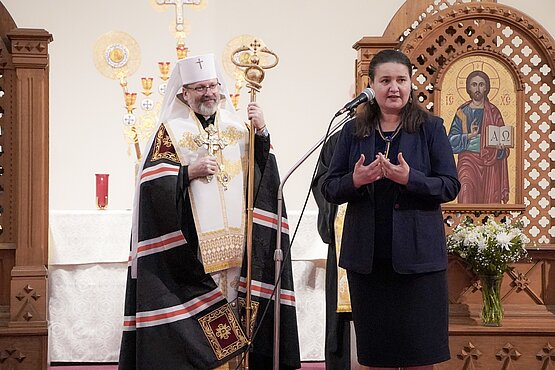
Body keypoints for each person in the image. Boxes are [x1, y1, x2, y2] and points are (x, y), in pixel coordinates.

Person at [118, 53, 301, 370]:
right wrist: (187, 172)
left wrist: (262, 133)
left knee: (242, 315)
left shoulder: (239, 128)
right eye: (199, 87)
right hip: (194, 253)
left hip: (239, 250)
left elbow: (263, 178)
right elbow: (150, 188)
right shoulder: (170, 132)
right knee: (203, 328)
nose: (208, 93)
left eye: (212, 85)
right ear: (184, 93)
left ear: (221, 87)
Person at [321, 49, 460, 370]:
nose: (393, 87)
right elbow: (329, 187)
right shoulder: (352, 132)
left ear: (412, 85)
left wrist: (411, 179)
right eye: (385, 81)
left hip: (419, 263)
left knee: (420, 355)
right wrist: (355, 180)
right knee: (375, 357)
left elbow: (450, 186)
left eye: (401, 80)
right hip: (369, 264)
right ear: (370, 86)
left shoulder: (430, 128)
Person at [312, 130, 352, 370]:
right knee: (339, 319)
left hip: (384, 241)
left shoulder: (404, 134)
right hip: (344, 233)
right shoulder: (340, 138)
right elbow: (322, 180)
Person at [447, 70, 509, 203]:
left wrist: (501, 148)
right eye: (474, 85)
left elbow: (503, 143)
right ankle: (464, 223)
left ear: (486, 88)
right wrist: (469, 135)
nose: (478, 88)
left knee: (490, 198)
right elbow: (450, 142)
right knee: (465, 190)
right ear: (468, 88)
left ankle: (491, 224)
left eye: (481, 85)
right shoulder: (462, 112)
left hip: (490, 163)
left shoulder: (493, 112)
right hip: (468, 161)